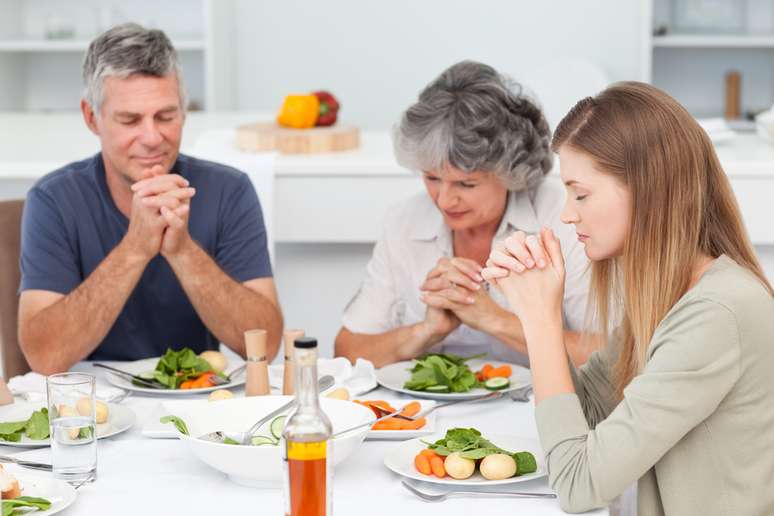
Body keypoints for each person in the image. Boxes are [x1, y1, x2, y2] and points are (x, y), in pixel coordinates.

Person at [483, 82, 774, 515]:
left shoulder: (714, 315)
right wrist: (532, 314)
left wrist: (543, 320)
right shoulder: (672, 297)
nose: (567, 213)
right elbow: (590, 415)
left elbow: (578, 485)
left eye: (581, 193)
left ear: (649, 188)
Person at [18, 24, 283, 374]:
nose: (151, 137)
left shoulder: (229, 191)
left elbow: (265, 346)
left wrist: (182, 250)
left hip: (195, 401)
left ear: (184, 112)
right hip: (90, 405)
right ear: (91, 117)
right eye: (129, 120)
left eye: (165, 116)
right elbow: (44, 357)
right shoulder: (52, 199)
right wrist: (136, 247)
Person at [335, 61, 597, 368]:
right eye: (432, 178)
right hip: (427, 415)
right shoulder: (404, 222)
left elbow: (609, 358)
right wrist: (426, 331)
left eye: (466, 183)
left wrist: (493, 319)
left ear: (511, 172)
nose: (445, 200)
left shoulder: (564, 218)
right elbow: (347, 351)